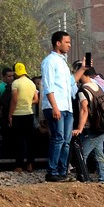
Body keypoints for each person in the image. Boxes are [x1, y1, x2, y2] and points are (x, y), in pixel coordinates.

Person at [41, 31, 76, 182]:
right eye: (67, 42)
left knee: (66, 141)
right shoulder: (50, 61)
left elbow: (70, 82)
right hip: (56, 105)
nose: (69, 45)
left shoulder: (63, 62)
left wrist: (83, 68)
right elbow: (48, 86)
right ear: (58, 43)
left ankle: (63, 171)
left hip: (67, 106)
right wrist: (54, 107)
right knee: (58, 138)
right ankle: (52, 171)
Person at [72, 65, 104, 183]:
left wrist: (79, 128)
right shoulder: (97, 86)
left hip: (94, 128)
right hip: (103, 126)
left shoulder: (84, 91)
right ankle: (103, 179)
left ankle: (83, 178)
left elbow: (84, 110)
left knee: (83, 154)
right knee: (99, 154)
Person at [8, 63, 37, 170]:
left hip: (18, 115)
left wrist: (10, 115)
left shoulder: (15, 83)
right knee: (30, 140)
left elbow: (14, 100)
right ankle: (30, 164)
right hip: (29, 114)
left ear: (15, 72)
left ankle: (19, 165)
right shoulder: (31, 83)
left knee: (18, 141)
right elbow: (36, 99)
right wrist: (28, 102)